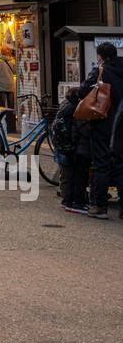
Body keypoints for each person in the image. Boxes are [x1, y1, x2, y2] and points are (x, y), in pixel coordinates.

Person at [79, 41, 123, 219]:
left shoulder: (101, 71)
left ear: (100, 56)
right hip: (121, 124)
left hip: (104, 123)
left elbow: (84, 91)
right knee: (121, 164)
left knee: (101, 163)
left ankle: (99, 206)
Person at [52, 89, 90, 215]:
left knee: (66, 174)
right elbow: (82, 129)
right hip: (73, 148)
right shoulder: (78, 109)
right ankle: (74, 202)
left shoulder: (65, 105)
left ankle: (66, 200)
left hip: (62, 147)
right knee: (77, 174)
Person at [0, 45, 17, 110]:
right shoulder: (12, 60)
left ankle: (2, 119)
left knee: (2, 105)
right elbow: (15, 71)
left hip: (1, 85)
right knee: (11, 105)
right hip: (10, 85)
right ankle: (10, 118)